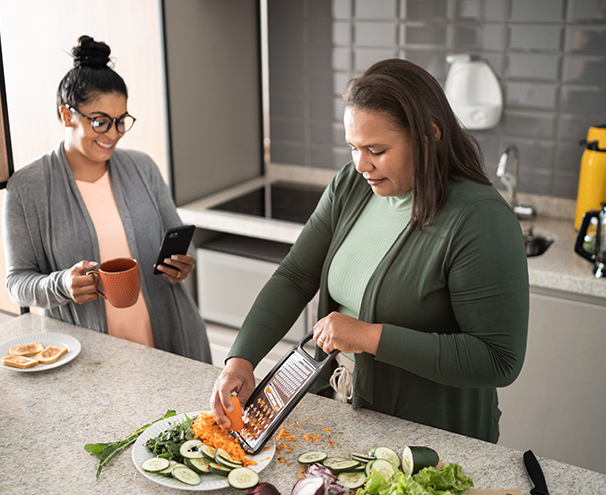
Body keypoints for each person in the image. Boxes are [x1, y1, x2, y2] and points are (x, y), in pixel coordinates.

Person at [210, 58, 529, 442]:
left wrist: (368, 337)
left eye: (376, 149)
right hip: (342, 414)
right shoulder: (352, 185)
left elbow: (497, 359)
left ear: (430, 134)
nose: (361, 164)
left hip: (431, 439)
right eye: (353, 147)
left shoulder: (480, 219)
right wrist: (241, 359)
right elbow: (295, 276)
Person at [2, 35, 211, 363]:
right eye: (100, 121)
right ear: (67, 115)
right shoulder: (26, 189)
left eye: (121, 121)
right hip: (89, 359)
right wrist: (61, 285)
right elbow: (17, 282)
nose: (113, 134)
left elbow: (182, 239)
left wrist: (182, 264)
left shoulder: (142, 167)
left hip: (171, 347)